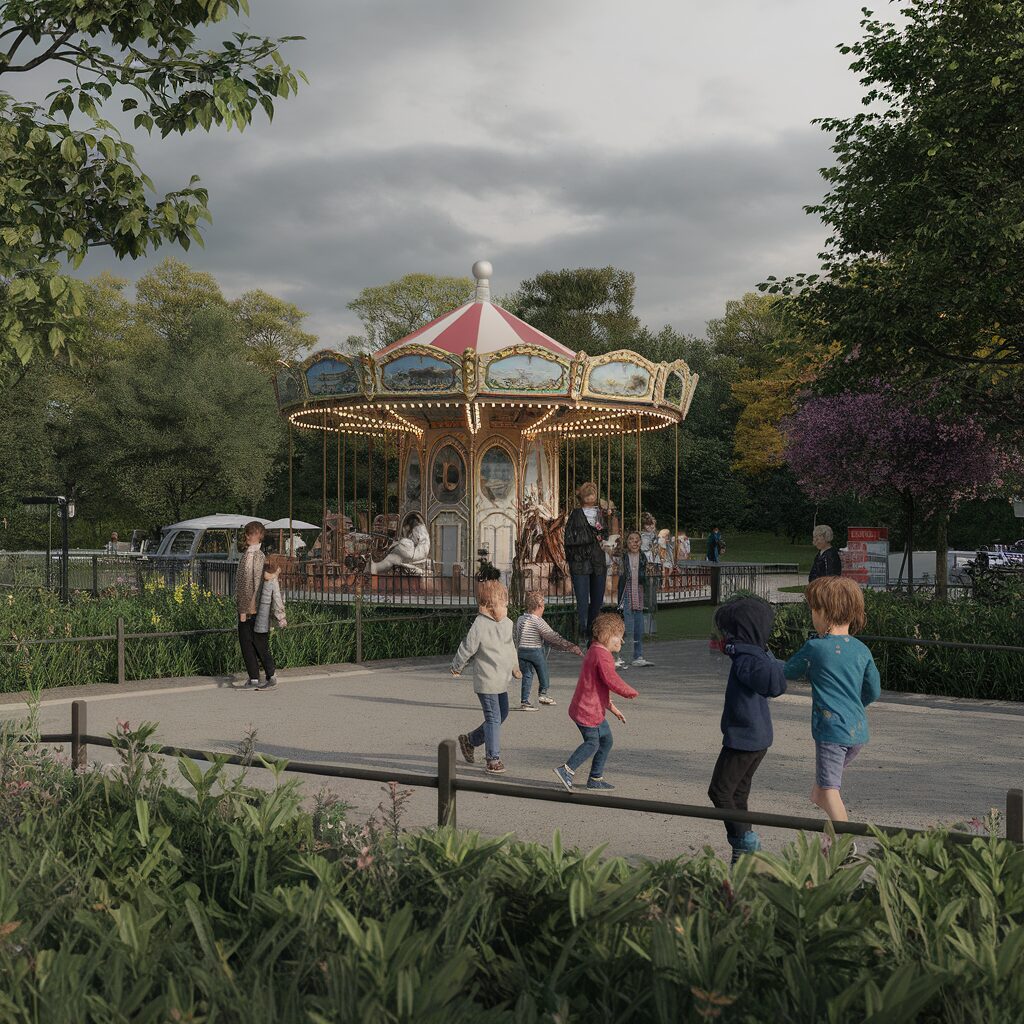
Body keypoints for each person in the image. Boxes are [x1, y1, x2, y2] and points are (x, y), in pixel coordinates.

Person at [784, 576, 881, 825]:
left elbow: (787, 671)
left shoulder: (816, 648)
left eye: (813, 610)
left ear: (824, 612)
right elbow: (873, 691)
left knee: (829, 791)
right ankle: (831, 846)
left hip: (831, 733)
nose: (812, 617)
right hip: (857, 732)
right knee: (819, 792)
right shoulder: (861, 649)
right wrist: (852, 706)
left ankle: (846, 844)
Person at [708, 598, 787, 863]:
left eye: (729, 631)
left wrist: (766, 663)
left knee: (719, 791)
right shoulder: (755, 653)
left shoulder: (746, 658)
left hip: (744, 738)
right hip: (756, 737)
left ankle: (745, 842)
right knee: (738, 793)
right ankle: (743, 852)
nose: (725, 636)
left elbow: (774, 685)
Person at [554, 612, 638, 792]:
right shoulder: (602, 655)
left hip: (591, 709)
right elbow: (611, 679)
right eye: (619, 637)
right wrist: (629, 692)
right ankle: (566, 770)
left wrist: (612, 708)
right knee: (593, 743)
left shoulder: (595, 650)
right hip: (587, 711)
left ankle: (595, 778)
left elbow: (597, 686)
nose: (621, 642)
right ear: (607, 635)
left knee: (606, 740)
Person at [454, 580, 522, 775]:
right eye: (503, 603)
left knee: (503, 713)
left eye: (506, 603)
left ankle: (470, 740)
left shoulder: (508, 624)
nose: (506, 606)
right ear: (490, 605)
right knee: (493, 718)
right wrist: (457, 665)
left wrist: (515, 668)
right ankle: (493, 758)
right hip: (486, 679)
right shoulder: (480, 624)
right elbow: (468, 646)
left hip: (501, 679)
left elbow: (510, 648)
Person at [513, 591, 582, 711]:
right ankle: (543, 694)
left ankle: (524, 701)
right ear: (539, 607)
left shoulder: (520, 619)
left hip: (522, 651)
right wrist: (571, 647)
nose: (543, 609)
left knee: (527, 675)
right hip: (535, 651)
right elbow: (552, 636)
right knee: (543, 671)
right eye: (543, 606)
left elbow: (516, 635)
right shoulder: (538, 621)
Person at [563, 482, 608, 646]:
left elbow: (606, 533)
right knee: (583, 601)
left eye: (593, 494)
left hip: (597, 560)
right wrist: (590, 538)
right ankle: (582, 631)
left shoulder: (600, 514)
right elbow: (569, 539)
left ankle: (593, 634)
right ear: (582, 497)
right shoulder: (575, 514)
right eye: (587, 494)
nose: (591, 497)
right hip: (580, 562)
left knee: (597, 600)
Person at [235, 521, 267, 690]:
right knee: (255, 640)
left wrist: (243, 609)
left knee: (247, 641)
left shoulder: (252, 555)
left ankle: (255, 677)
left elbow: (248, 583)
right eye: (247, 533)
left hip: (249, 606)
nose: (247, 536)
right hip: (254, 605)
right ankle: (262, 675)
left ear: (257, 535)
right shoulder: (256, 554)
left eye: (250, 533)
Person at [617, 531, 654, 667]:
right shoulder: (623, 557)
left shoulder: (643, 557)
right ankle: (620, 656)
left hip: (639, 592)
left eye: (637, 539)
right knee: (627, 626)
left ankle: (638, 655)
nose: (635, 542)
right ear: (627, 543)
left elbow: (646, 576)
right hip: (626, 592)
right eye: (631, 539)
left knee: (639, 626)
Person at [250, 565, 287, 691]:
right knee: (259, 645)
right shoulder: (264, 580)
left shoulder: (272, 582)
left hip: (264, 619)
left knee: (262, 646)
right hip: (259, 616)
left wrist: (281, 617)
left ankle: (270, 675)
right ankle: (267, 675)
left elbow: (277, 600)